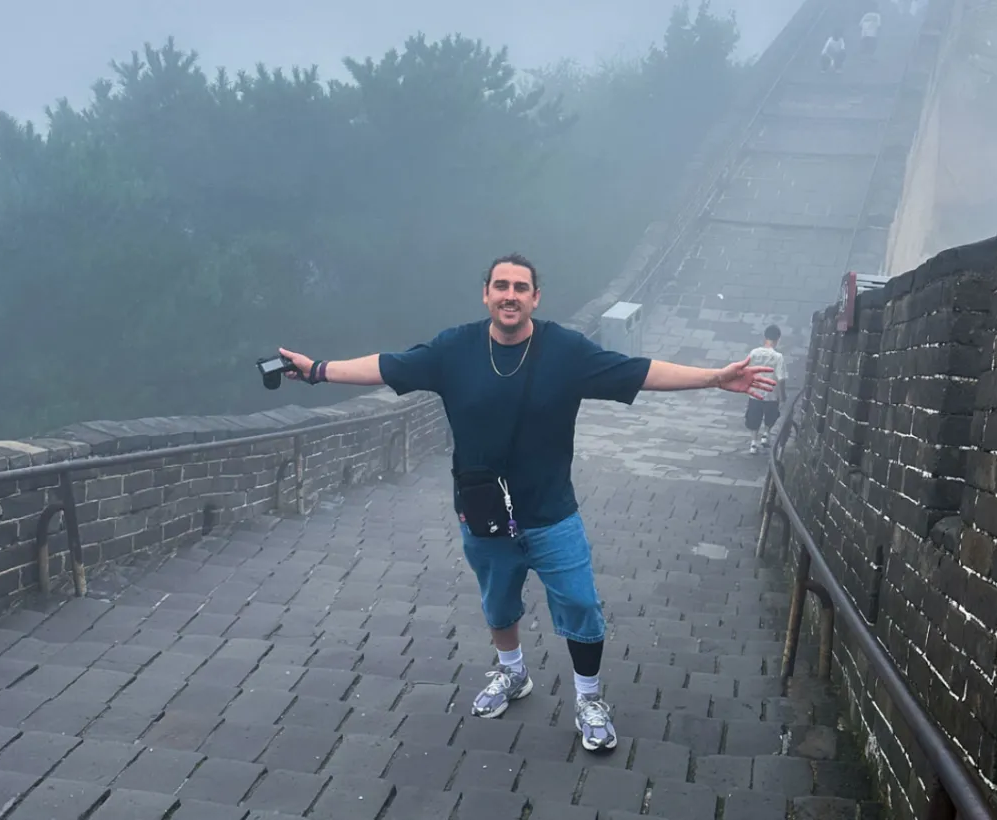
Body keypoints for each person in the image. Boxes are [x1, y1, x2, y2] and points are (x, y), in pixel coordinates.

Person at [276, 253, 775, 754]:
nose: (509, 295)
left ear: (535, 297)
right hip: (484, 513)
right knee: (498, 606)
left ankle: (589, 698)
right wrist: (318, 370)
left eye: (520, 287)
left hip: (552, 510)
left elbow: (637, 371)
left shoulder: (565, 350)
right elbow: (388, 366)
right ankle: (513, 674)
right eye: (501, 286)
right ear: (486, 294)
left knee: (580, 603)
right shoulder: (455, 349)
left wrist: (713, 377)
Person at [744, 325, 788, 454]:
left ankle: (753, 443)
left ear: (765, 337)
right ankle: (766, 434)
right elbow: (781, 378)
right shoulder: (778, 357)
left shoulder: (754, 353)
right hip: (771, 393)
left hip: (755, 391)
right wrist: (782, 395)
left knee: (753, 417)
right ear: (778, 339)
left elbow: (746, 370)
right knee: (771, 416)